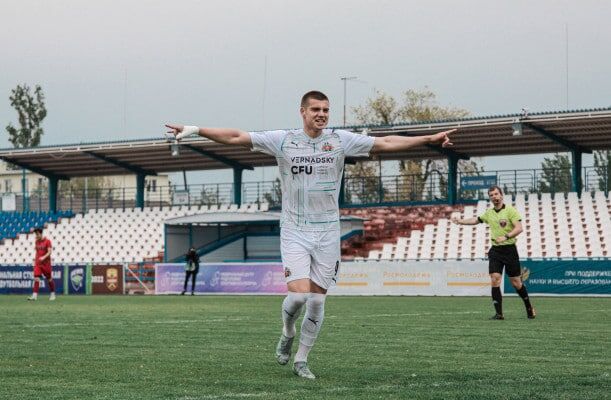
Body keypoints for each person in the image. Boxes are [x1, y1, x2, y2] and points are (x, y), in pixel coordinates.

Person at [166, 90, 455, 379]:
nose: (321, 114)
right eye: (316, 109)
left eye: (325, 110)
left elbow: (386, 142)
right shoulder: (283, 140)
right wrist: (195, 129)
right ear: (303, 111)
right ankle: (287, 330)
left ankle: (301, 360)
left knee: (317, 302)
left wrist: (429, 139)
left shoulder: (340, 140)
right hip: (295, 230)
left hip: (328, 232)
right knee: (299, 296)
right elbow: (236, 137)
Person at [451, 185, 536, 320]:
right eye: (491, 195)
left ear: (501, 195)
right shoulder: (489, 213)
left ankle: (529, 307)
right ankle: (499, 314)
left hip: (510, 250)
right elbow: (476, 220)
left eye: (496, 194)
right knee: (495, 279)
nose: (494, 197)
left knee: (516, 283)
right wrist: (460, 221)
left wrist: (506, 237)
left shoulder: (510, 211)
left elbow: (519, 228)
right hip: (496, 250)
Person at [28, 227, 56, 301]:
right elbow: (37, 252)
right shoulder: (36, 241)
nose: (36, 236)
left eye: (37, 234)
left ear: (41, 234)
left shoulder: (47, 241)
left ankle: (52, 294)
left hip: (46, 263)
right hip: (38, 263)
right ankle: (34, 295)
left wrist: (43, 257)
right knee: (36, 278)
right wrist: (36, 260)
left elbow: (49, 252)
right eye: (36, 234)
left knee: (49, 279)